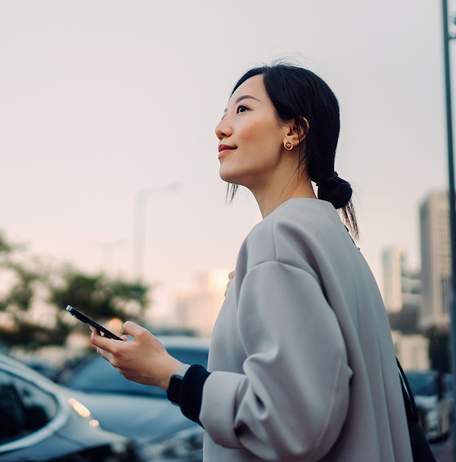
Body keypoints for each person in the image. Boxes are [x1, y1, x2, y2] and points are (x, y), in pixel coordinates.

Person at [89, 63, 412, 461]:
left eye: (242, 110)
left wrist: (168, 373)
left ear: (293, 131)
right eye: (223, 114)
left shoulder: (279, 238)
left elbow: (289, 422)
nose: (221, 128)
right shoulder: (334, 238)